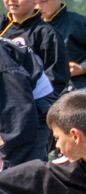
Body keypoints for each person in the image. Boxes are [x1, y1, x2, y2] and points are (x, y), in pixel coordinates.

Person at [2, 0, 69, 153]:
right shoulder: (1, 27)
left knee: (31, 169)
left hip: (36, 116)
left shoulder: (47, 34)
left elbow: (57, 79)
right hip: (5, 112)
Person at [0, 37, 53, 168]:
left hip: (33, 110)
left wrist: (8, 165)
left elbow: (19, 119)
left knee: (22, 172)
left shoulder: (5, 65)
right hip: (12, 105)